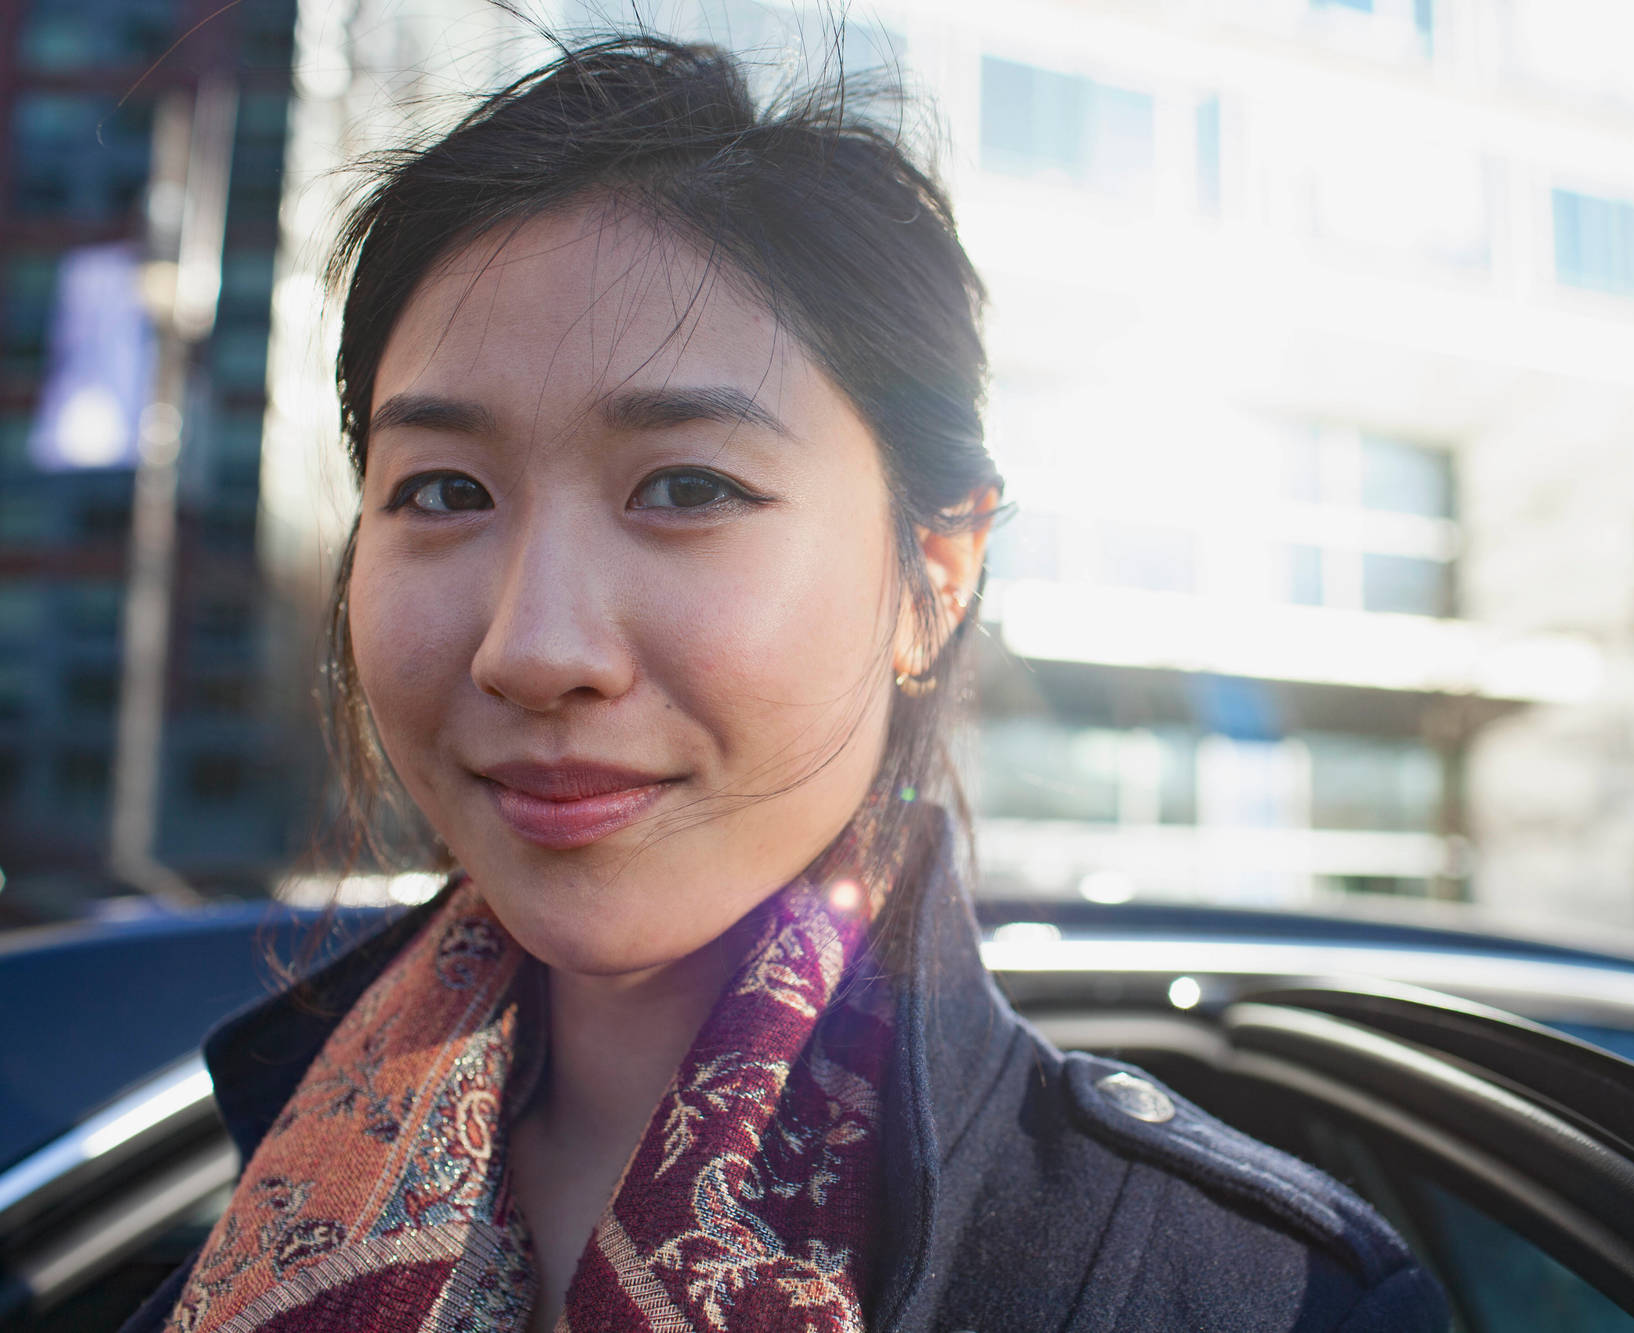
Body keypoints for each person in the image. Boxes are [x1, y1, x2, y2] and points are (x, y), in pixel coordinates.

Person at [123, 35, 1449, 1333]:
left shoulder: (1250, 1296)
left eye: (687, 487)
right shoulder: (239, 1238)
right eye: (444, 492)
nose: (532, 647)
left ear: (934, 572)